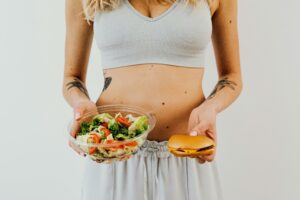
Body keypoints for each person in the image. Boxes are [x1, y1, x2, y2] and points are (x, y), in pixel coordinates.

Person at [62, 0, 242, 199]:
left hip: (187, 154)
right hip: (113, 156)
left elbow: (231, 75)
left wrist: (211, 107)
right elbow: (73, 78)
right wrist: (81, 104)